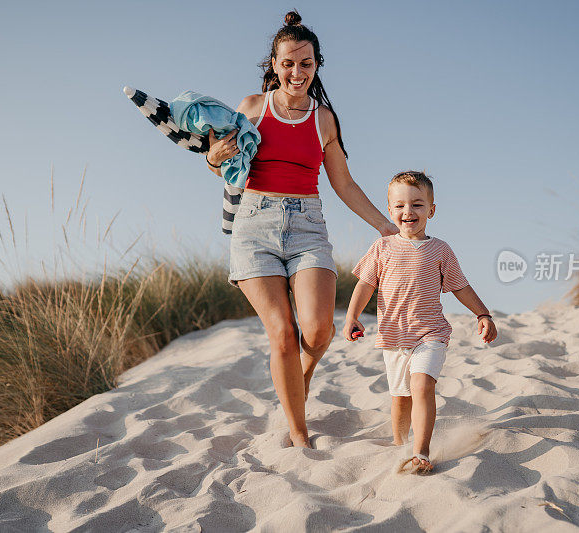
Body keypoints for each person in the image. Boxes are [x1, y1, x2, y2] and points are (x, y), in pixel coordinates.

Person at [204, 10, 399, 449]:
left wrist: (385, 226)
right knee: (283, 335)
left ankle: (298, 380)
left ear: (316, 65)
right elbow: (222, 164)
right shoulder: (252, 109)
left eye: (306, 63)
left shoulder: (324, 119)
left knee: (317, 332)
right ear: (274, 65)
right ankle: (299, 435)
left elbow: (343, 184)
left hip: (308, 227)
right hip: (254, 226)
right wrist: (215, 157)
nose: (297, 71)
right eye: (288, 63)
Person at [343, 171, 498, 473]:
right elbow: (365, 284)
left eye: (417, 205)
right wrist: (352, 316)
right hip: (393, 337)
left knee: (422, 385)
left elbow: (460, 286)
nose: (408, 212)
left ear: (431, 209)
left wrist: (483, 314)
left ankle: (421, 452)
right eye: (399, 206)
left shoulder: (441, 250)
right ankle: (400, 443)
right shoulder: (382, 248)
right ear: (390, 210)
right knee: (401, 399)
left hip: (430, 334)